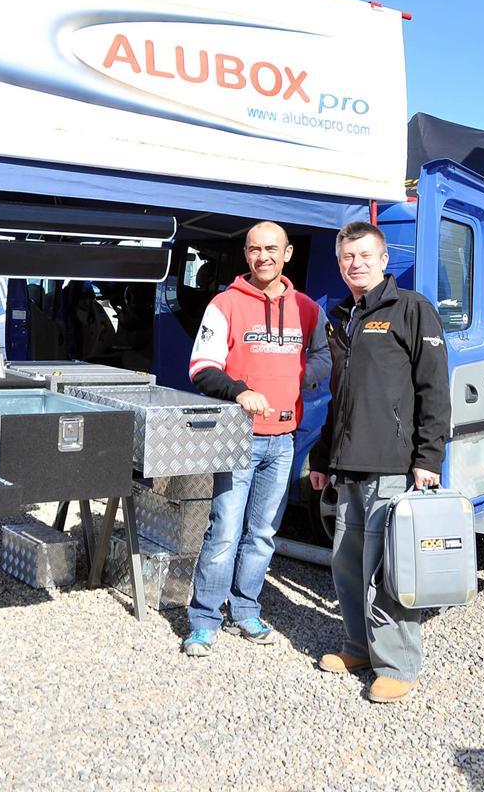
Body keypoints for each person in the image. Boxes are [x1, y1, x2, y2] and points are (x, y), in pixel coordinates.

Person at [312, 221, 449, 702]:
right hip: (348, 464)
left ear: (384, 259)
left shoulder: (412, 310)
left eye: (366, 256)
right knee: (347, 564)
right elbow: (339, 398)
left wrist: (428, 456)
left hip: (392, 464)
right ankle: (358, 646)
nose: (357, 264)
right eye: (348, 257)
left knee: (387, 570)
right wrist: (321, 455)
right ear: (340, 263)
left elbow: (435, 390)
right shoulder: (342, 316)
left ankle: (397, 665)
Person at [181, 221, 330, 656]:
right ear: (245, 255)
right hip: (237, 438)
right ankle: (204, 619)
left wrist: (300, 378)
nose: (262, 256)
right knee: (225, 530)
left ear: (287, 254)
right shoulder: (225, 304)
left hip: (283, 439)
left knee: (263, 533)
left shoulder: (307, 309)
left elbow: (324, 357)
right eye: (254, 249)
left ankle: (246, 610)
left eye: (271, 249)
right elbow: (201, 368)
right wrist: (239, 390)